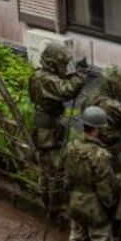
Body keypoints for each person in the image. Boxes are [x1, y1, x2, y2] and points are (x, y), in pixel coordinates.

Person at [28, 43, 86, 210]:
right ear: (53, 63)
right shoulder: (46, 79)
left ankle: (48, 199)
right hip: (47, 127)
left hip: (45, 123)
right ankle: (53, 204)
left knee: (46, 166)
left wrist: (74, 74)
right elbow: (66, 90)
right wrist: (80, 76)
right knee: (53, 167)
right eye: (61, 64)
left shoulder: (39, 75)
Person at [65, 106, 118, 241]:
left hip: (76, 201)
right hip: (95, 205)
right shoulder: (101, 155)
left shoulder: (71, 146)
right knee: (102, 239)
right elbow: (106, 187)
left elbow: (66, 176)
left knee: (77, 237)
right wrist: (110, 205)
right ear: (96, 129)